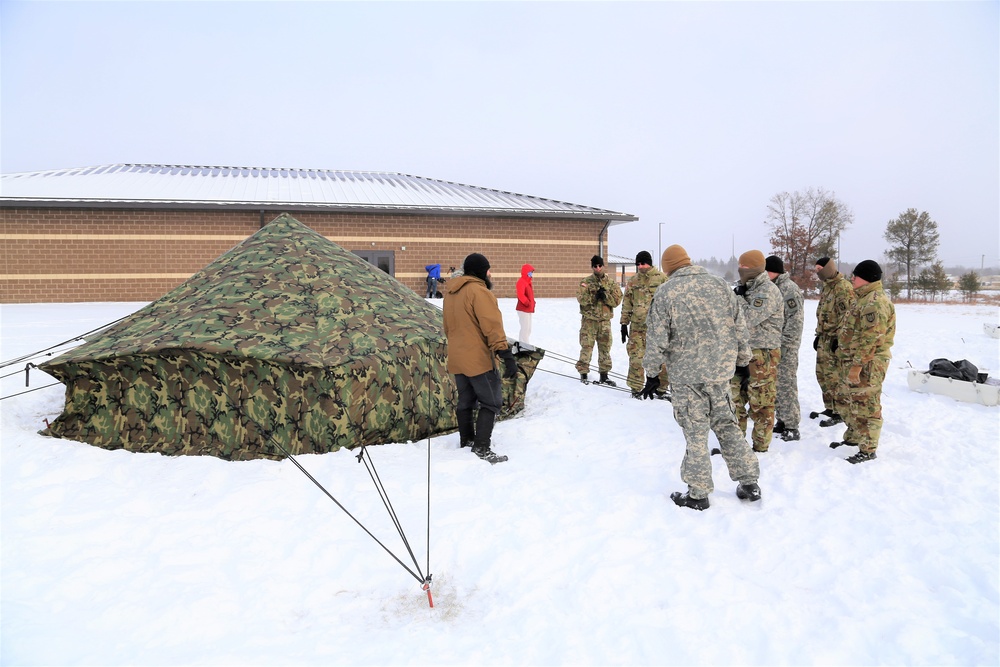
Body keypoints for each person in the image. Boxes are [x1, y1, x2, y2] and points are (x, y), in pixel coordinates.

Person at [641, 244, 761, 511]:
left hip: (687, 377)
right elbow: (739, 326)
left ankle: (698, 493)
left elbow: (657, 338)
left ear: (669, 267)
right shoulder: (720, 286)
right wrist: (743, 361)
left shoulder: (666, 292)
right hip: (720, 373)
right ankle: (749, 481)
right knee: (728, 425)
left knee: (695, 433)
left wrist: (651, 373)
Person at [442, 253, 518, 464]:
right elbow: (491, 325)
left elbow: (447, 327)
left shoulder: (451, 292)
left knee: (466, 401)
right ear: (480, 271)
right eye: (488, 269)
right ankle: (482, 447)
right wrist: (504, 352)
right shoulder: (479, 291)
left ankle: (466, 440)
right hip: (477, 359)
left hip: (457, 356)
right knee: (491, 402)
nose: (490, 273)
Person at [830, 260, 896, 463]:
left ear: (866, 278)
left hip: (868, 363)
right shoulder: (863, 298)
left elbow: (871, 340)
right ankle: (853, 438)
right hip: (854, 360)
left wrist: (857, 366)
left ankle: (868, 449)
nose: (852, 278)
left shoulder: (874, 303)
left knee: (867, 404)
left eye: (856, 276)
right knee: (852, 402)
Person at [729, 250, 783, 452]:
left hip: (762, 354)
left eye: (743, 267)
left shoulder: (767, 291)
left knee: (760, 402)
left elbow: (747, 319)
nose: (740, 270)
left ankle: (760, 446)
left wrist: (739, 300)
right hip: (741, 352)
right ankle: (736, 444)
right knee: (734, 399)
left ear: (753, 269)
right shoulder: (745, 288)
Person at [812, 257, 856, 427]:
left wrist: (839, 339)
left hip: (835, 340)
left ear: (828, 268)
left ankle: (840, 411)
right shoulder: (827, 287)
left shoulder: (843, 288)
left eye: (819, 269)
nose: (817, 273)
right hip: (824, 337)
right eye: (815, 269)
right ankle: (830, 407)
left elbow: (847, 316)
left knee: (835, 378)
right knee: (822, 375)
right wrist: (819, 335)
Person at [765, 255, 804, 441]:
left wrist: (787, 346)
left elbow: (795, 321)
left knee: (787, 385)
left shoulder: (789, 290)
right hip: (774, 346)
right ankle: (782, 420)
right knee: (778, 385)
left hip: (786, 347)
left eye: (766, 271)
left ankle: (792, 425)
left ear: (773, 271)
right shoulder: (774, 288)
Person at [620, 250, 669, 399]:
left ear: (650, 263)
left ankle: (661, 390)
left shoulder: (662, 279)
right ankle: (635, 389)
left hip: (658, 329)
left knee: (661, 359)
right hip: (637, 328)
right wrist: (624, 323)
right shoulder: (633, 281)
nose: (641, 266)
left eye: (643, 263)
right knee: (636, 359)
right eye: (638, 264)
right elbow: (627, 302)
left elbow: (670, 302)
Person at [575, 255, 622, 385]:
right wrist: (594, 297)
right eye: (595, 266)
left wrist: (605, 296)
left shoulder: (611, 283)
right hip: (589, 321)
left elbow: (617, 300)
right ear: (592, 267)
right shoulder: (585, 282)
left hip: (604, 322)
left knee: (605, 348)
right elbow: (581, 299)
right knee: (586, 347)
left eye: (600, 265)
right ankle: (583, 373)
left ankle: (604, 375)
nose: (598, 268)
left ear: (603, 266)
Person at [515, 263, 536, 344]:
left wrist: (532, 303)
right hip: (523, 309)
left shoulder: (528, 282)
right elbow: (520, 295)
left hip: (528, 309)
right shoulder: (521, 282)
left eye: (532, 272)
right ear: (526, 272)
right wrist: (527, 303)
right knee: (525, 328)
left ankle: (523, 344)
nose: (531, 274)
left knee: (528, 329)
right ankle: (524, 345)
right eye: (530, 272)